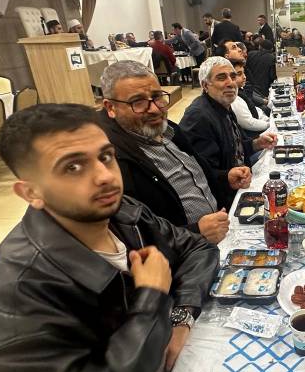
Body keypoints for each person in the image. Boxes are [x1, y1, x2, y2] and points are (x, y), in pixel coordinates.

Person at [0, 103, 220, 372]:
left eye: (105, 157)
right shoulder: (13, 301)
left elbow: (197, 248)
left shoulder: (122, 214)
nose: (104, 176)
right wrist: (151, 299)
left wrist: (180, 319)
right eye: (73, 167)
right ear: (30, 192)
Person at [99, 61, 250, 243]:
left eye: (157, 97)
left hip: (221, 226)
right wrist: (195, 231)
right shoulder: (113, 161)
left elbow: (199, 174)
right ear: (111, 108)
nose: (155, 109)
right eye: (138, 102)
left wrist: (225, 178)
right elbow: (131, 237)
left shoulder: (167, 129)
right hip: (190, 251)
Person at [179, 57, 276, 203]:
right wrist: (227, 176)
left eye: (233, 76)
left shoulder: (223, 106)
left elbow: (235, 148)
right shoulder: (198, 117)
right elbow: (198, 173)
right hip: (222, 199)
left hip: (241, 181)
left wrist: (257, 143)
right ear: (205, 85)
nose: (231, 83)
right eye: (221, 77)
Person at [230, 58, 270, 137]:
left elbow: (253, 108)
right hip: (253, 135)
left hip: (260, 123)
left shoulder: (240, 90)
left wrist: (267, 119)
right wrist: (269, 124)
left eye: (243, 73)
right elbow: (249, 123)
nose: (244, 77)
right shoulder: (234, 99)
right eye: (239, 74)